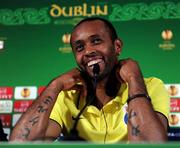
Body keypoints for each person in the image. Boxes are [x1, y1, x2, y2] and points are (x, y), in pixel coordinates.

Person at [9, 17, 169, 143]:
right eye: (80, 48)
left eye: (96, 41)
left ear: (117, 46)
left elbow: (151, 144)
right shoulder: (65, 97)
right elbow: (20, 143)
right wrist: (55, 85)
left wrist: (134, 79)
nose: (88, 51)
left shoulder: (151, 86)